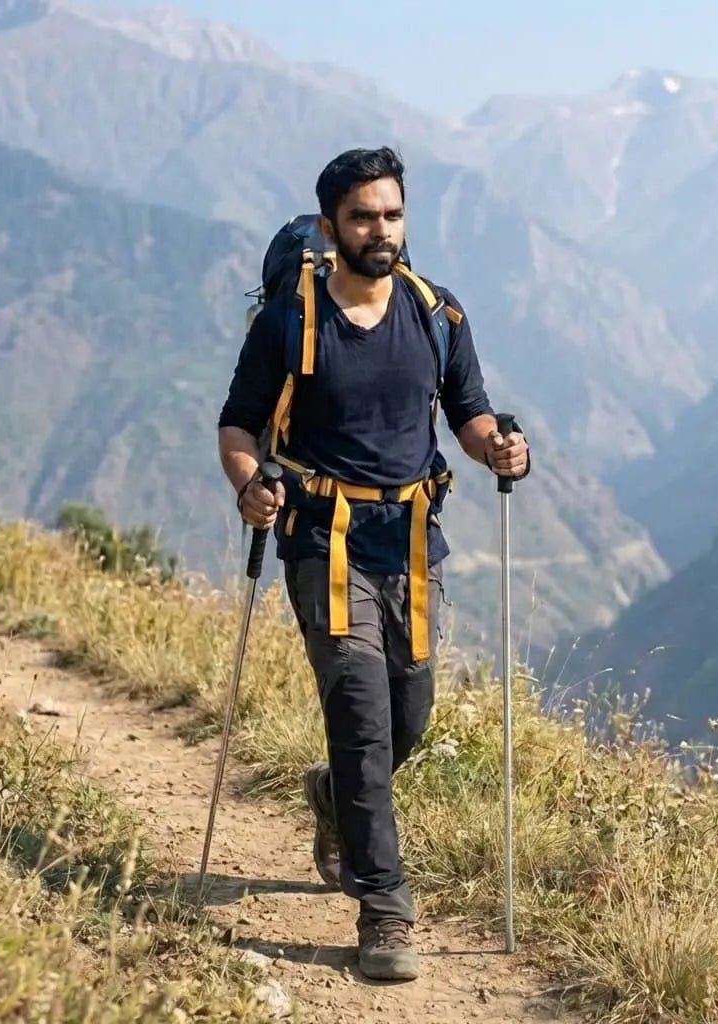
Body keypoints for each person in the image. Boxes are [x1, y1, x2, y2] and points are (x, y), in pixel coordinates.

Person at [216, 145, 529, 982]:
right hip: (323, 543)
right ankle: (384, 909)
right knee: (360, 718)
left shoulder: (437, 313)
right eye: (362, 217)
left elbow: (467, 413)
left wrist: (499, 447)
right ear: (331, 226)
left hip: (413, 545)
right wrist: (252, 487)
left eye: (391, 214)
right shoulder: (292, 316)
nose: (380, 230)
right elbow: (239, 427)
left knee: (409, 721)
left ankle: (332, 797)